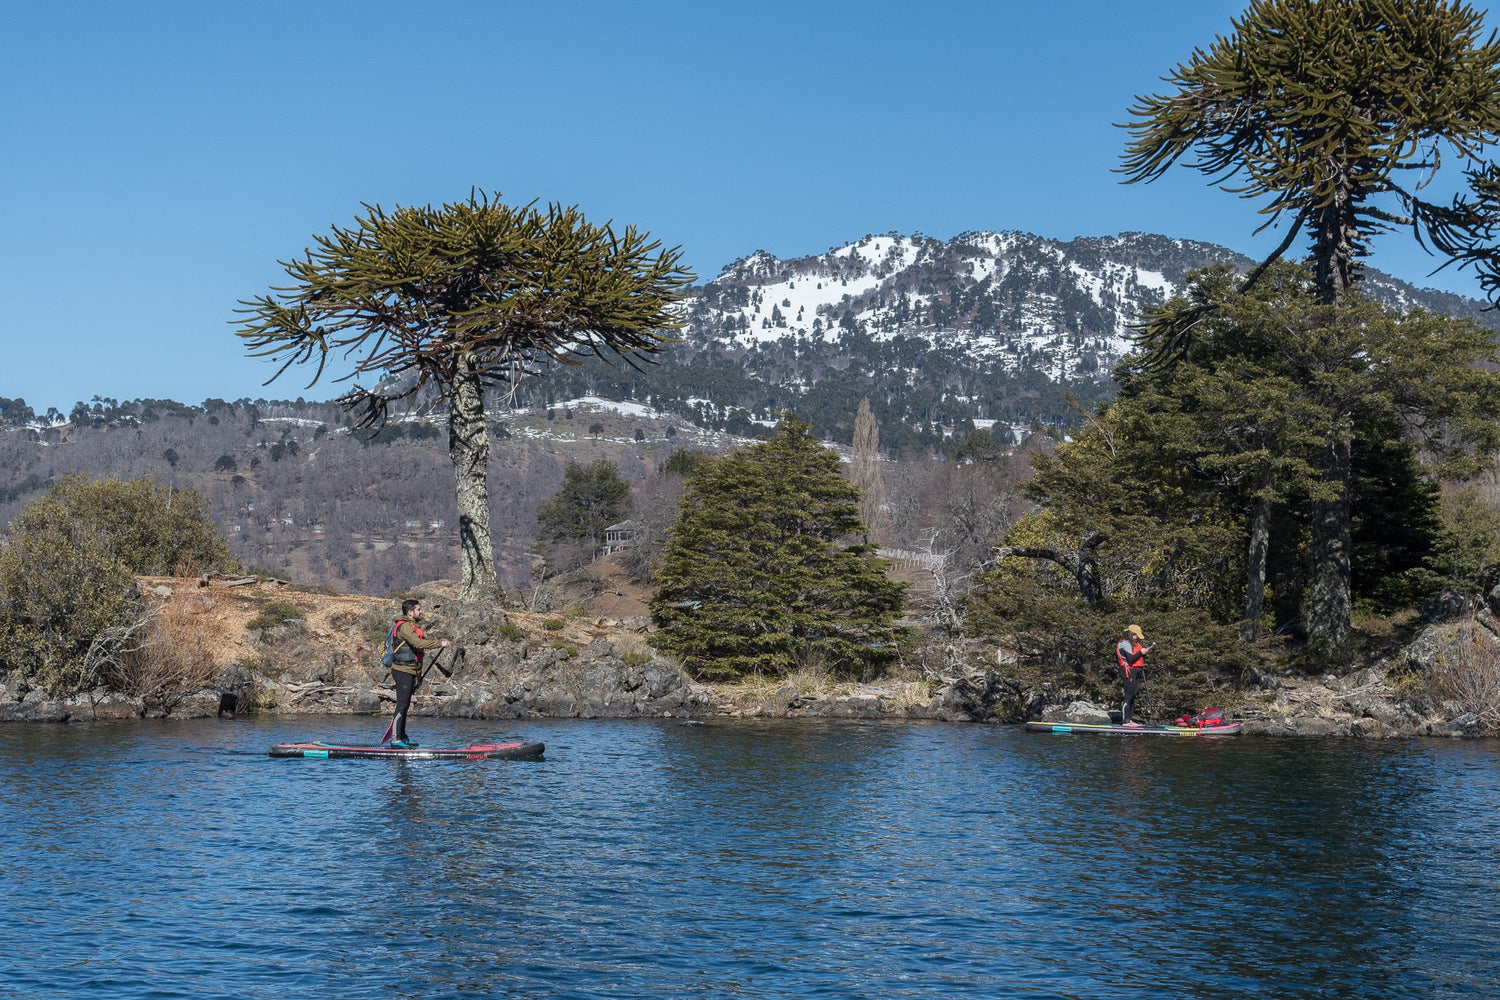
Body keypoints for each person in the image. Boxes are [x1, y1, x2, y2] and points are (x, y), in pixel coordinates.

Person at [387, 598, 450, 748]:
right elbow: (418, 643)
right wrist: (439, 643)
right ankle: (396, 739)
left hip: (409, 670)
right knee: (402, 705)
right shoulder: (405, 627)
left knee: (405, 705)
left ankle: (402, 736)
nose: (420, 612)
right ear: (410, 612)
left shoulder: (410, 626)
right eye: (418, 609)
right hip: (402, 670)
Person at [1116, 624, 1152, 727]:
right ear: (1131, 634)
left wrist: (1144, 653)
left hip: (1136, 671)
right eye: (1136, 635)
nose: (1137, 638)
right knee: (1129, 695)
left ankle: (1129, 719)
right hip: (1128, 671)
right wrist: (1141, 652)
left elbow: (1137, 657)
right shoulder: (1124, 643)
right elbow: (1131, 659)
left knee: (1133, 695)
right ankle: (1125, 721)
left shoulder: (1135, 643)